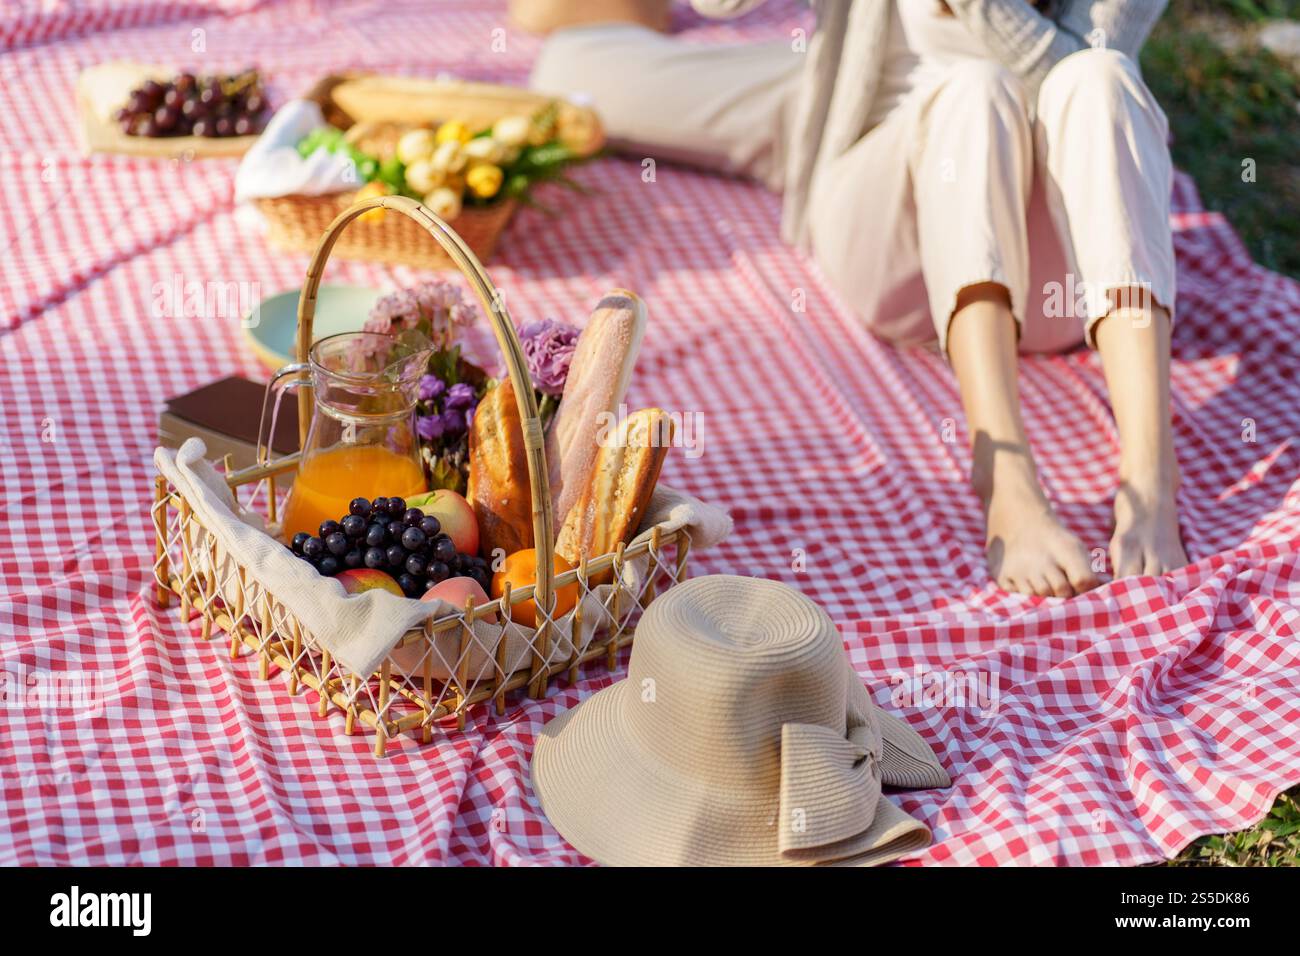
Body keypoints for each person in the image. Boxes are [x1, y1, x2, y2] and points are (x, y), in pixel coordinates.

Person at [530, 0, 1187, 598]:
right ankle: (1006, 475)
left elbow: (1073, 84)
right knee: (574, 68)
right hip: (895, 245)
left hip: (1055, 280)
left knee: (1098, 76)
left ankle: (1150, 479)